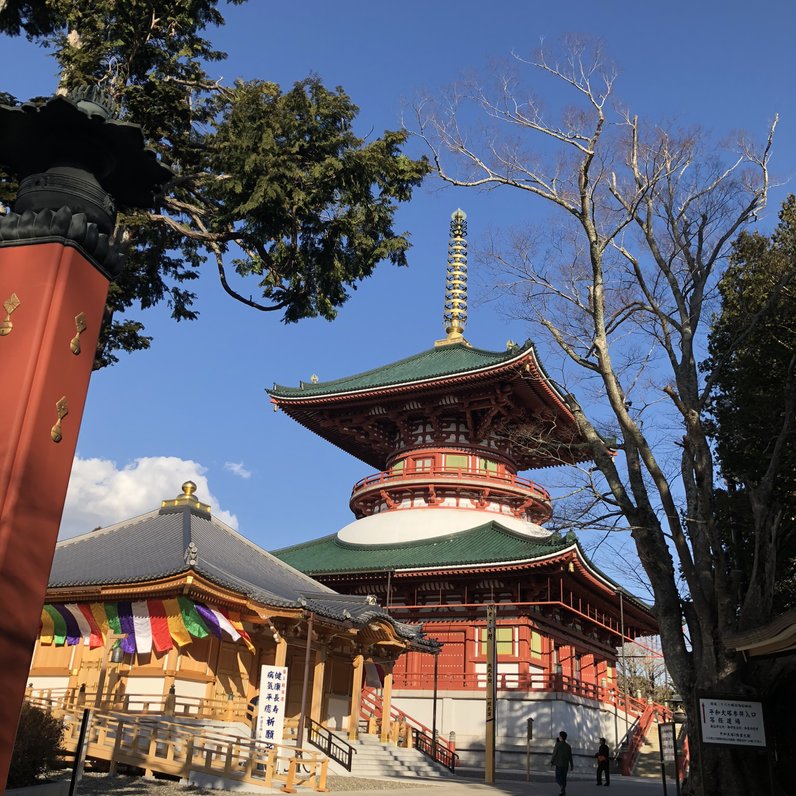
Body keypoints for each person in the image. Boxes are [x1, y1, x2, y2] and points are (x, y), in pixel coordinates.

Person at [550, 730, 574, 796]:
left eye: (559, 736)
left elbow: (554, 753)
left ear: (561, 737)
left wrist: (552, 762)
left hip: (559, 764)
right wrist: (571, 765)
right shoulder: (568, 746)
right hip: (565, 764)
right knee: (564, 778)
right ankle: (562, 792)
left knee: (558, 778)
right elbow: (570, 756)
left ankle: (562, 788)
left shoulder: (558, 744)